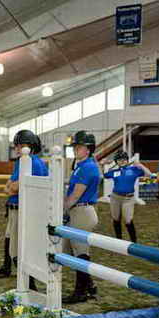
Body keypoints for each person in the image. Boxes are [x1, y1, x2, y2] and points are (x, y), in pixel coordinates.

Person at [0, 130, 48, 283]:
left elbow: (15, 187)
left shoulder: (34, 162)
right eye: (16, 146)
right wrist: (11, 188)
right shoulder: (20, 162)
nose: (17, 149)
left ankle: (29, 284)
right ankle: (17, 275)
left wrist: (11, 188)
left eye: (21, 146)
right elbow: (10, 185)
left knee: (18, 249)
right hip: (14, 207)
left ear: (31, 146)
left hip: (25, 209)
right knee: (10, 239)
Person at [62, 130, 101, 304]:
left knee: (81, 253)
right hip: (77, 211)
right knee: (73, 251)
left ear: (89, 149)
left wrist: (62, 209)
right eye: (75, 147)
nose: (76, 149)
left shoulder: (87, 167)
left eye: (79, 147)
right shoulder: (80, 166)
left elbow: (76, 195)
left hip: (81, 211)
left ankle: (80, 292)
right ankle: (90, 286)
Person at [102, 150, 151, 243]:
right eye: (119, 160)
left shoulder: (134, 170)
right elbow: (104, 176)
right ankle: (118, 241)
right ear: (116, 162)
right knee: (116, 219)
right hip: (115, 197)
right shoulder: (114, 171)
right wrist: (102, 164)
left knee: (128, 220)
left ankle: (134, 242)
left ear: (127, 160)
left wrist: (140, 165)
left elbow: (149, 174)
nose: (122, 161)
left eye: (124, 159)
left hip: (128, 199)